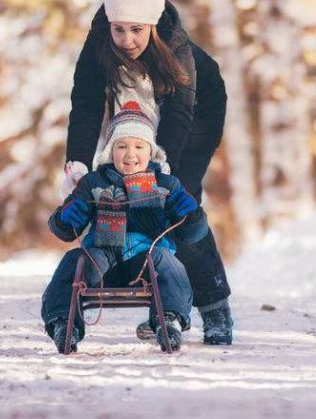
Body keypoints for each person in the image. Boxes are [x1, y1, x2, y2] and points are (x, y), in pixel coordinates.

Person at [64, 0, 234, 345]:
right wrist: (76, 163)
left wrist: (161, 167)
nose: (127, 41)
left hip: (196, 114)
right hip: (135, 114)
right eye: (119, 30)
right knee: (119, 192)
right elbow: (86, 107)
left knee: (177, 201)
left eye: (137, 30)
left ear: (153, 26)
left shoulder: (175, 47)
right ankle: (164, 303)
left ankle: (215, 307)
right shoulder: (98, 43)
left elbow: (180, 115)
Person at [41, 102, 208, 353]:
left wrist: (192, 214)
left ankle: (170, 320)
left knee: (167, 261)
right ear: (110, 151)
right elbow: (64, 230)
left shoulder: (166, 185)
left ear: (150, 151)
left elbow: (191, 234)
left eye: (139, 146)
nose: (131, 154)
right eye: (122, 146)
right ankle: (63, 323)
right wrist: (66, 218)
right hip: (102, 259)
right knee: (75, 261)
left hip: (147, 260)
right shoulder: (94, 183)